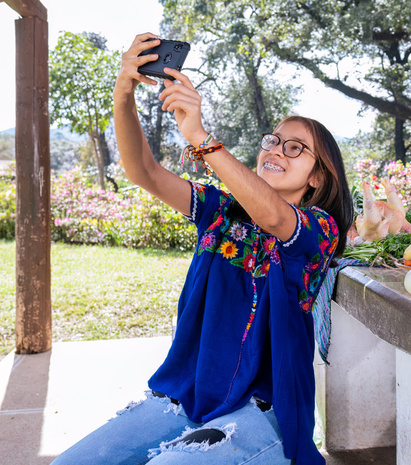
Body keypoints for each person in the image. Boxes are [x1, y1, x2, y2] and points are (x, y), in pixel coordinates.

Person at [52, 33, 353, 465]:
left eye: (295, 148)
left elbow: (275, 220)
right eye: (273, 140)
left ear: (318, 179)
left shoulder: (318, 230)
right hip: (184, 398)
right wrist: (123, 91)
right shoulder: (220, 211)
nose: (276, 150)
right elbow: (144, 172)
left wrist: (201, 136)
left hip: (262, 412)